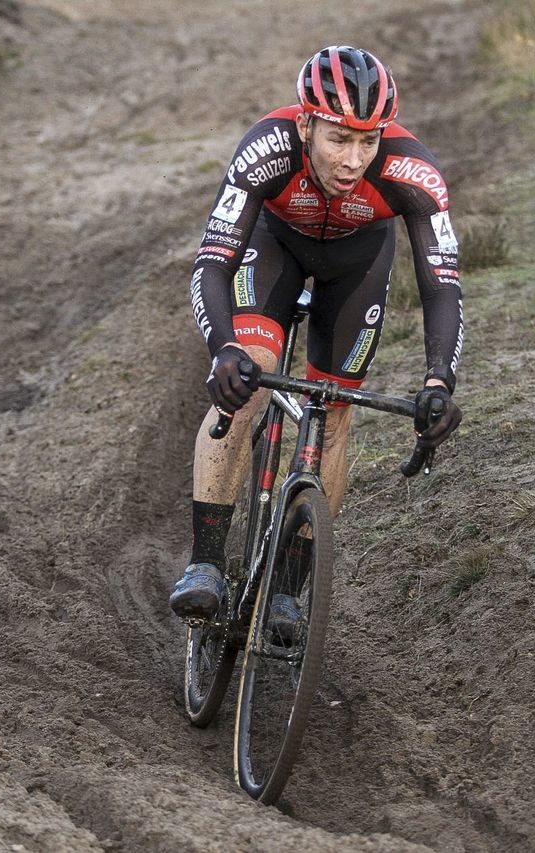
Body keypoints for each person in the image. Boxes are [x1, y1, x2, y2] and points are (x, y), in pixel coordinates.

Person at [169, 45, 464, 622]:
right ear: (305, 124)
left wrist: (439, 379)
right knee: (248, 379)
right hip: (274, 248)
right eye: (338, 139)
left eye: (368, 140)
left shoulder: (413, 171)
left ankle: (288, 591)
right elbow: (212, 260)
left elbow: (442, 285)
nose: (354, 159)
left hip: (357, 266)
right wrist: (222, 349)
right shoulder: (267, 147)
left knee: (332, 410)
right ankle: (204, 563)